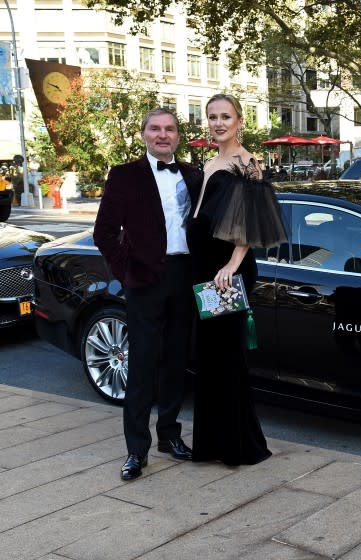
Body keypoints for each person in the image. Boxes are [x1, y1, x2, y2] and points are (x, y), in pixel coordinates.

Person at [94, 108, 202, 480]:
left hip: (184, 277)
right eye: (155, 128)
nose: (162, 135)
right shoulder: (124, 176)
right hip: (145, 280)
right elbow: (104, 233)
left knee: (176, 361)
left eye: (169, 129)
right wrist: (128, 273)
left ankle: (169, 436)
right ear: (143, 135)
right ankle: (135, 451)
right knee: (141, 366)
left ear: (178, 136)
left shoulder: (193, 175)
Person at [187, 93, 286, 466]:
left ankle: (237, 447)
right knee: (209, 358)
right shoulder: (212, 161)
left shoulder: (248, 163)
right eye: (212, 117)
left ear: (239, 120)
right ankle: (213, 444)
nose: (217, 123)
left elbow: (252, 221)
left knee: (228, 358)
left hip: (227, 272)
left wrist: (232, 263)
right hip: (205, 269)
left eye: (225, 116)